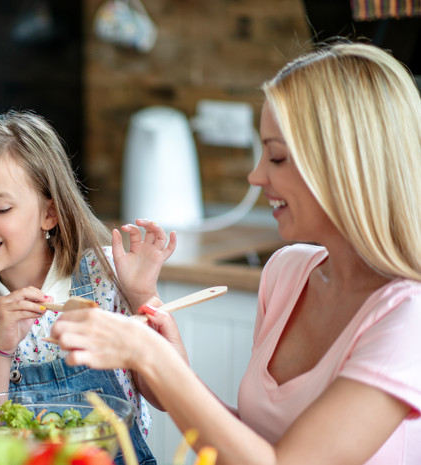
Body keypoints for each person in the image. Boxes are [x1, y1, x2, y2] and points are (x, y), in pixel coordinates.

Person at [50, 41, 421, 464]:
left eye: (277, 156)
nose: (256, 174)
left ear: (346, 166)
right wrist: (162, 347)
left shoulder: (409, 318)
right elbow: (250, 445)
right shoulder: (287, 273)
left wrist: (150, 357)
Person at [0, 110, 176, 465]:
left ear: (50, 213)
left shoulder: (105, 276)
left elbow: (169, 395)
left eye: (0, 208)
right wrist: (1, 346)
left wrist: (142, 296)